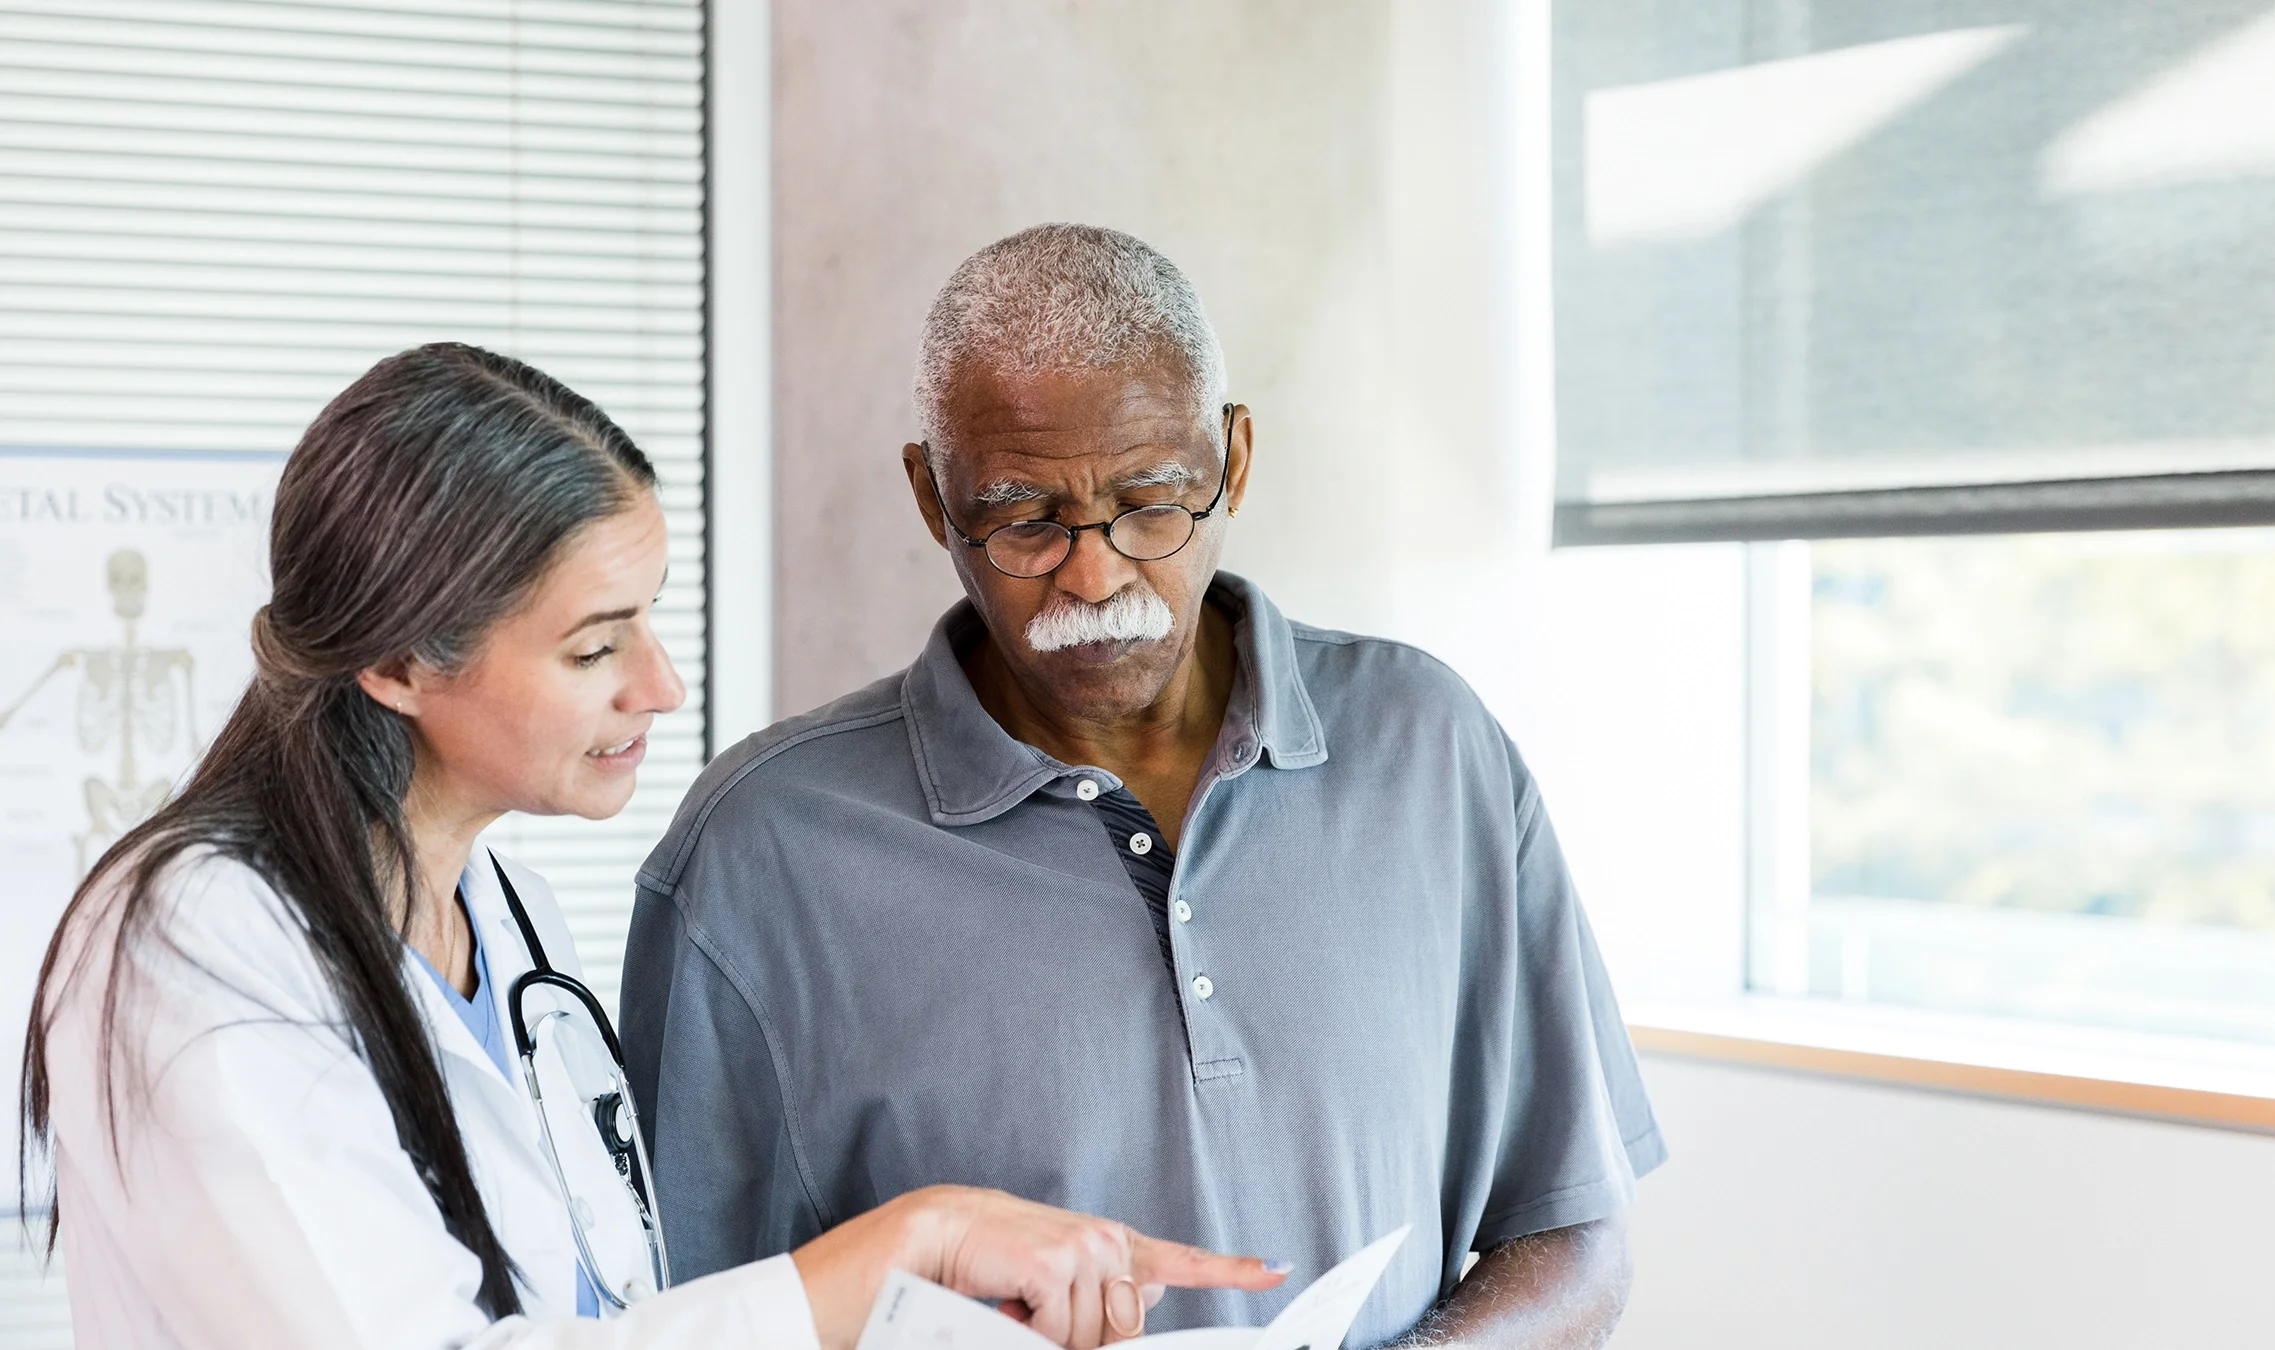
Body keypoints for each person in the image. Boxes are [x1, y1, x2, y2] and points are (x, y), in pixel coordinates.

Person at [17, 343, 1284, 1350]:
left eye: (650, 622)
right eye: (594, 645)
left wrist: (924, 1323)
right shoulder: (193, 945)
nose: (661, 686)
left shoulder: (508, 925)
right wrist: (900, 1247)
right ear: (399, 662)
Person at [620, 225, 1666, 1347]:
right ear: (934, 496)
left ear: (1236, 457)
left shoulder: (1433, 750)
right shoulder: (760, 854)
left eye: (1153, 501)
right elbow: (678, 1320)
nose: (1097, 571)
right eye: (1025, 518)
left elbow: (1572, 1232)